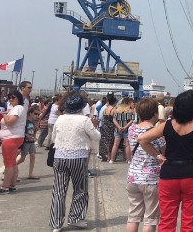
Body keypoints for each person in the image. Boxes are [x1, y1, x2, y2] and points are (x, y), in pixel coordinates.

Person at [138, 89, 193, 232]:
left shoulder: (167, 125)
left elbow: (142, 139)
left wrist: (158, 156)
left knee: (167, 219)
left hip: (169, 175)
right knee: (190, 220)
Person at [49, 93, 100, 231]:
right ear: (81, 106)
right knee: (80, 189)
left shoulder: (60, 119)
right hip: (78, 157)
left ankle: (56, 223)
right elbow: (96, 137)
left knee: (59, 190)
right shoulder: (84, 120)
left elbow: (54, 138)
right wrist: (94, 127)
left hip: (60, 156)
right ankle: (75, 218)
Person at [126, 98, 165, 232]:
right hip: (151, 178)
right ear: (155, 113)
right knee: (151, 218)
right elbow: (165, 152)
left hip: (133, 176)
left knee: (133, 216)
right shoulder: (157, 132)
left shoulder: (131, 129)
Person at [0, 90, 27, 195]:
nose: (11, 99)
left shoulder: (17, 108)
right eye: (9, 97)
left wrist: (4, 115)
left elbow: (10, 123)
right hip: (14, 137)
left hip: (11, 138)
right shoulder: (17, 108)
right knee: (12, 162)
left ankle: (5, 187)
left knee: (8, 164)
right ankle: (11, 185)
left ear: (18, 98)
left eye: (13, 97)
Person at [16, 105, 40, 180]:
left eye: (38, 114)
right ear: (30, 113)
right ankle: (10, 167)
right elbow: (21, 131)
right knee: (22, 158)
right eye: (35, 114)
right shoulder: (25, 122)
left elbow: (33, 132)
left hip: (31, 141)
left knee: (33, 156)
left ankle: (30, 173)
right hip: (26, 142)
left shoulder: (33, 123)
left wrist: (35, 132)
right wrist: (27, 135)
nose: (37, 116)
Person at [111, 97, 135, 163]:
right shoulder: (130, 111)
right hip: (127, 130)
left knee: (115, 145)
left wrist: (119, 127)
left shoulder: (117, 110)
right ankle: (129, 160)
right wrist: (125, 127)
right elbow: (132, 120)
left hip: (117, 129)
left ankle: (112, 159)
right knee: (127, 145)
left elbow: (114, 119)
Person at [99, 94, 117, 161]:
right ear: (114, 103)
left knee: (104, 142)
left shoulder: (105, 109)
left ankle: (104, 156)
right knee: (111, 143)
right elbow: (115, 119)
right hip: (111, 127)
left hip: (104, 126)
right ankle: (110, 157)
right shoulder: (114, 110)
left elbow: (102, 118)